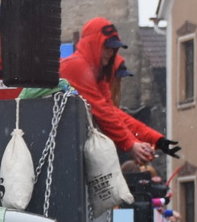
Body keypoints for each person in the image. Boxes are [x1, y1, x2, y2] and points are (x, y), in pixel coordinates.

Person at [59, 17, 177, 166]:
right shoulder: (77, 66)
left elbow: (111, 113)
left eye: (114, 49)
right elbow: (104, 112)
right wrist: (131, 144)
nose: (111, 52)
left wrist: (155, 140)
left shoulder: (94, 73)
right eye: (106, 47)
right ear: (93, 44)